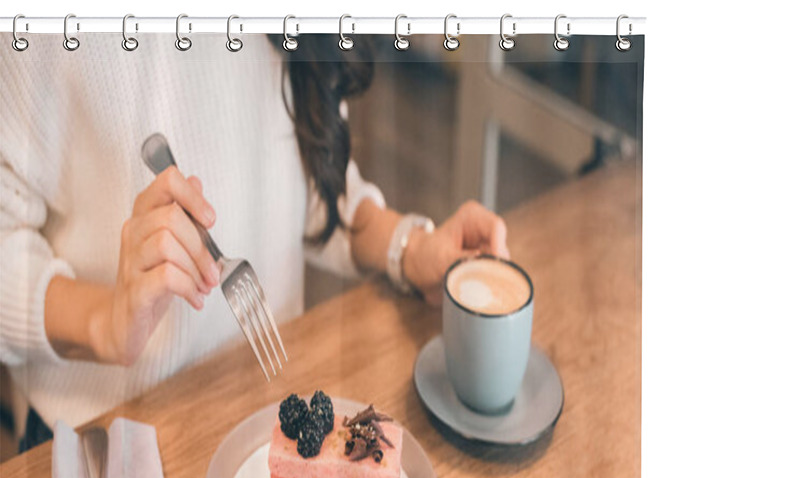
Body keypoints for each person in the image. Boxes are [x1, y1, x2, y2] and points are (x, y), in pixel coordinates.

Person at [0, 34, 509, 450]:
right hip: (101, 448)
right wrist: (104, 322)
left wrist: (410, 249)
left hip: (267, 422)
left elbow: (314, 185)